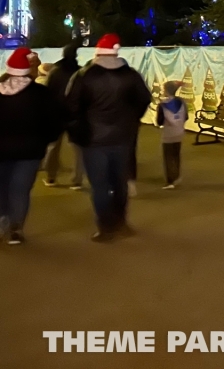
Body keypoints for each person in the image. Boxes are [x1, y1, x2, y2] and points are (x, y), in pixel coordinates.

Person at [67, 34, 152, 242]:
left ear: (97, 52)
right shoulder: (131, 75)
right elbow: (144, 99)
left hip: (93, 139)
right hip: (123, 137)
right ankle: (121, 221)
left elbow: (71, 106)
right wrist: (131, 120)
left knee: (100, 186)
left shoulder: (84, 75)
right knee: (120, 182)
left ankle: (105, 226)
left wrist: (78, 131)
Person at [0, 47, 65, 245]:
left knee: (1, 188)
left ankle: (1, 222)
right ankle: (15, 230)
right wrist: (46, 141)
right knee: (20, 190)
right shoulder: (41, 94)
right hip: (31, 152)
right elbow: (55, 122)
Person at [42, 44, 85, 190]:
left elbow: (47, 92)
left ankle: (51, 177)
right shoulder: (80, 72)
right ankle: (77, 180)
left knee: (53, 146)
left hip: (56, 113)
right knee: (77, 148)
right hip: (75, 114)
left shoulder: (55, 71)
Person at [156, 81, 186, 189]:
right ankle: (177, 176)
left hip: (168, 134)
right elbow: (186, 117)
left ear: (166, 91)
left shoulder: (162, 105)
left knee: (168, 157)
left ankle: (170, 181)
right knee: (176, 154)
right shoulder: (182, 102)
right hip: (179, 132)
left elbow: (159, 121)